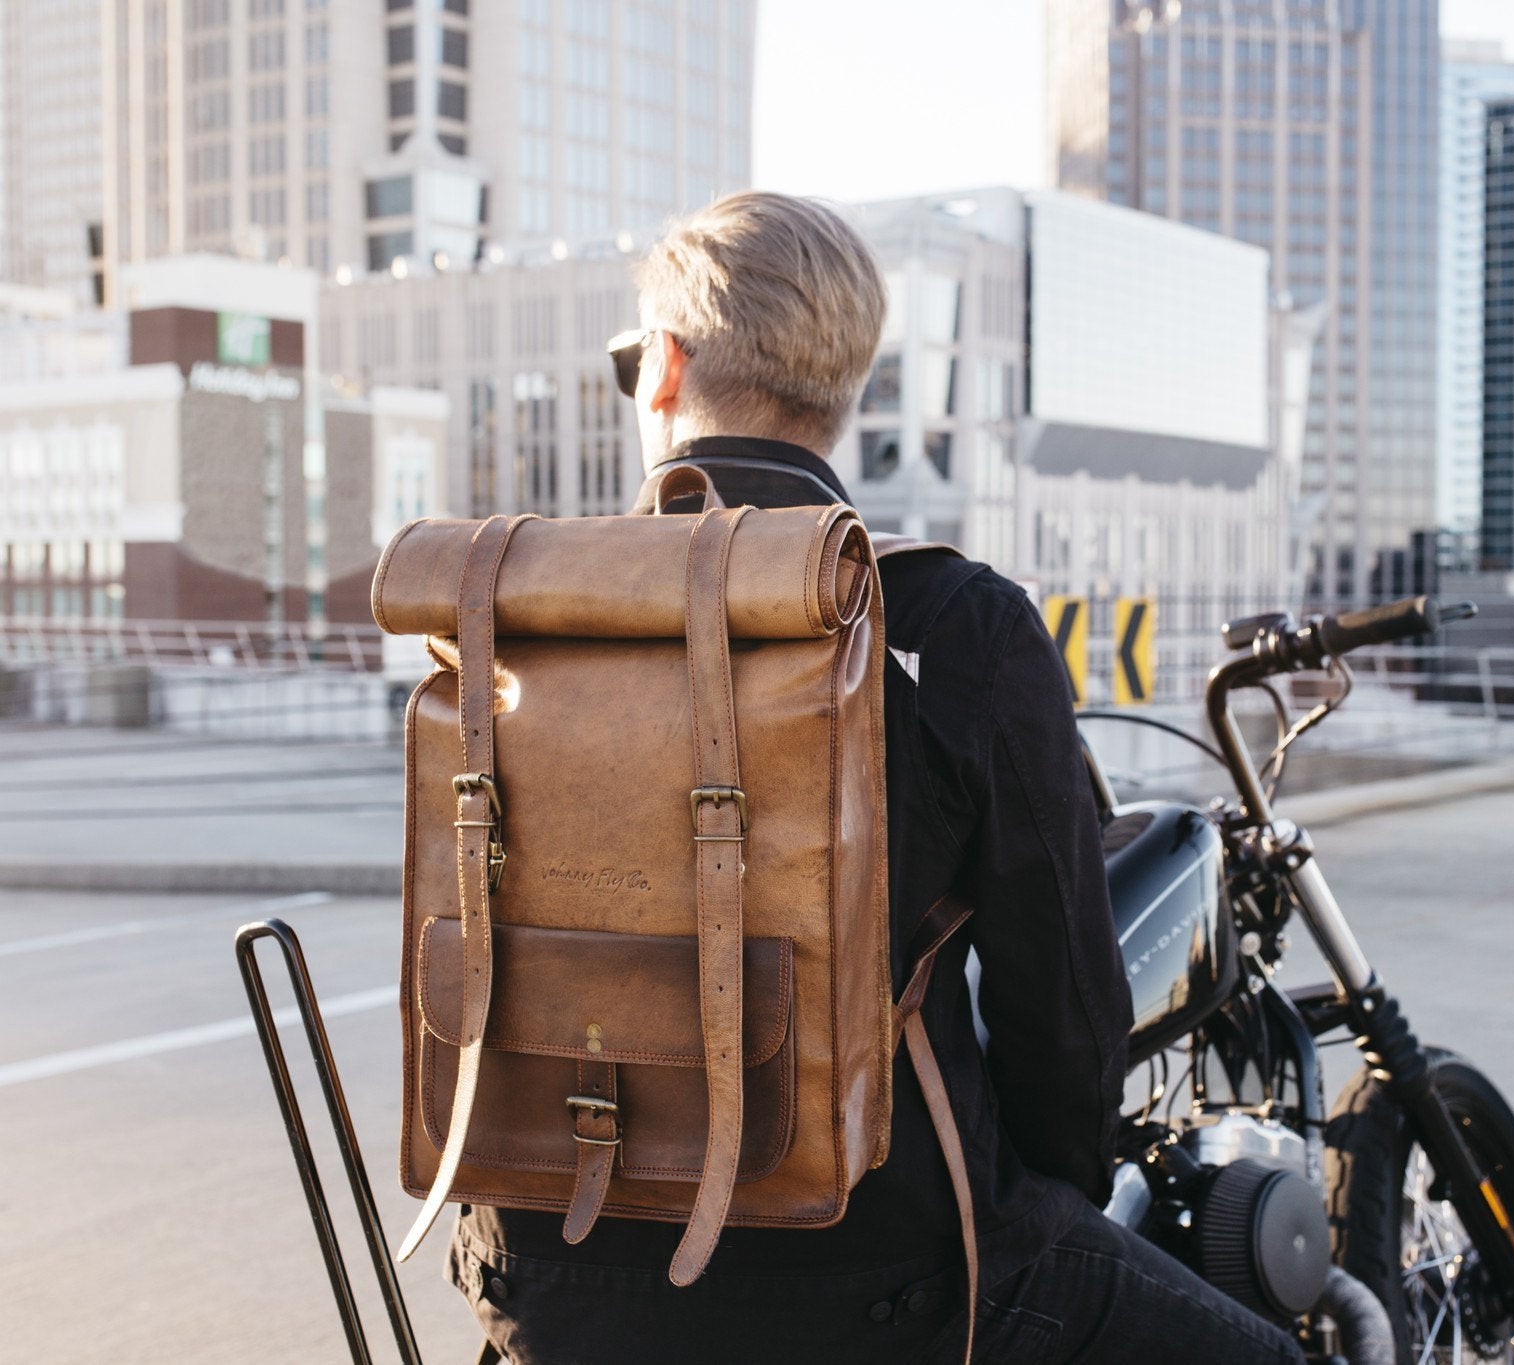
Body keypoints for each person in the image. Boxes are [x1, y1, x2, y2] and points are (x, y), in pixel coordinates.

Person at [447, 191, 1308, 1365]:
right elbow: (1062, 1008)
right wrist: (1043, 1201)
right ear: (844, 388)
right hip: (882, 1284)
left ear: (660, 368)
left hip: (546, 1281)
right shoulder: (957, 624)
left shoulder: (527, 618)